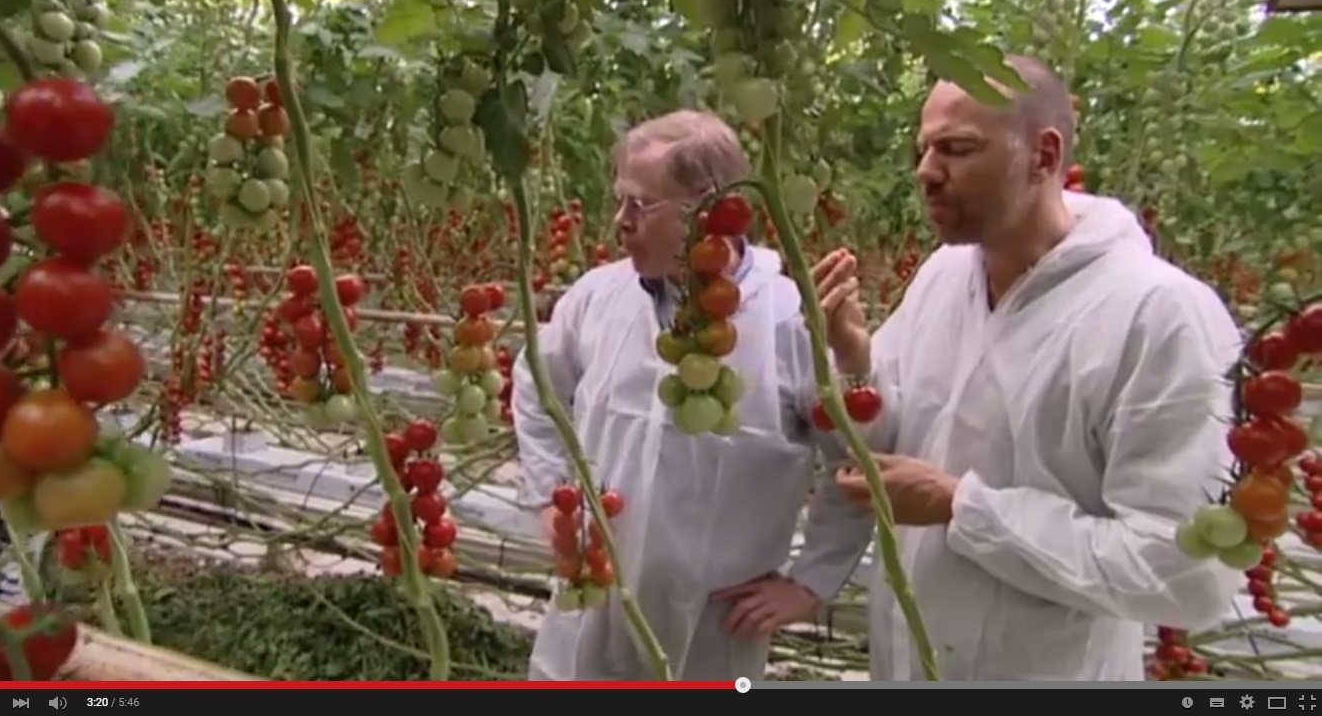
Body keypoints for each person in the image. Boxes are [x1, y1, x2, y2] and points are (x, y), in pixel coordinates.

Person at [813, 54, 1241, 680]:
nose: (927, 173)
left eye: (957, 149)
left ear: (1044, 155)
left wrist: (963, 506)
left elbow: (1188, 575)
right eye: (924, 149)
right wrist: (854, 364)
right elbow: (891, 444)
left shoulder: (1158, 316)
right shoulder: (943, 278)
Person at [512, 109, 874, 681]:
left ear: (709, 210)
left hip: (712, 628)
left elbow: (859, 457)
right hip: (589, 602)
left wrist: (812, 582)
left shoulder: (789, 319)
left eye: (640, 204)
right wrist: (548, 497)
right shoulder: (596, 298)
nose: (620, 223)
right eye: (620, 200)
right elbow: (536, 386)